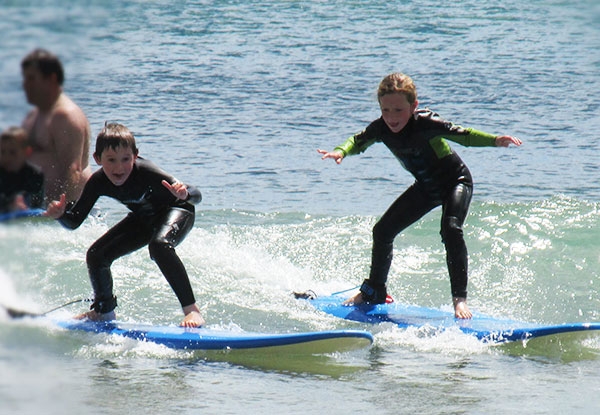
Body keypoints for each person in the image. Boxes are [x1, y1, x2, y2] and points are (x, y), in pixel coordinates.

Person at [317, 73, 522, 319]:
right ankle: (375, 291)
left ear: (413, 106)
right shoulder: (381, 128)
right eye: (386, 110)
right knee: (382, 231)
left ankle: (460, 301)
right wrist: (341, 152)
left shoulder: (426, 123)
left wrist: (495, 141)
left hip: (455, 181)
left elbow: (463, 134)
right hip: (426, 186)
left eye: (399, 110)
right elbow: (358, 141)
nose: (392, 117)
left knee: (451, 228)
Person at [45, 122, 204, 327]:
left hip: (177, 210)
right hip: (144, 218)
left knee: (159, 245)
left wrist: (186, 193)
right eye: (111, 160)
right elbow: (74, 220)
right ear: (97, 159)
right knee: (96, 255)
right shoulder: (98, 182)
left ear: (135, 156)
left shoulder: (147, 172)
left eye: (125, 159)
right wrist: (61, 215)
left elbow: (196, 195)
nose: (118, 167)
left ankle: (192, 311)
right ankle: (104, 312)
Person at [21, 48, 92, 204]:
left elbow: (73, 170)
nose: (25, 84)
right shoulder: (36, 114)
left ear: (51, 79)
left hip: (67, 215)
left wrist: (63, 216)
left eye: (32, 79)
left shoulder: (66, 116)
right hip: (37, 210)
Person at [0, 126, 44, 213]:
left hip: (23, 214)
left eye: (12, 152)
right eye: (2, 152)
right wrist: (9, 204)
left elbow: (36, 202)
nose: (6, 157)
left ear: (27, 152)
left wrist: (23, 204)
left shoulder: (35, 174)